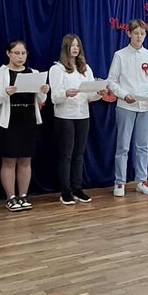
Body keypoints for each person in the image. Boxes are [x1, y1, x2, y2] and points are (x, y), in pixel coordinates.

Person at [0, 39, 49, 211]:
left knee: (26, 160)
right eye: (16, 53)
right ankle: (11, 197)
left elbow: (41, 100)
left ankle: (23, 195)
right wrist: (5, 93)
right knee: (9, 161)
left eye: (23, 53)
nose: (20, 57)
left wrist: (43, 91)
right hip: (9, 122)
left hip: (28, 120)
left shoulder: (33, 72)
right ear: (8, 54)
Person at [106, 19, 148, 197]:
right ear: (129, 33)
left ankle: (141, 181)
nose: (139, 37)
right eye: (136, 33)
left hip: (146, 106)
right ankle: (120, 182)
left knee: (142, 145)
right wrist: (124, 95)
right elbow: (112, 81)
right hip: (126, 105)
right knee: (123, 145)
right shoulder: (120, 55)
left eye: (142, 34)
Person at [47, 33, 97, 205]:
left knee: (79, 154)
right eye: (72, 45)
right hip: (65, 116)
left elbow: (90, 96)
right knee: (66, 154)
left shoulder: (85, 68)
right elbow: (54, 97)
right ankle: (65, 190)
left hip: (83, 114)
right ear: (66, 48)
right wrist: (66, 94)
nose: (75, 48)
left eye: (77, 45)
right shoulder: (57, 69)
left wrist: (99, 92)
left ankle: (77, 188)